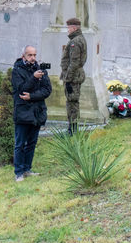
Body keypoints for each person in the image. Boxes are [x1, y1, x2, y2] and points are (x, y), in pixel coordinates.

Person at [11, 46, 52, 183]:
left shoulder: (40, 69)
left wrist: (32, 96)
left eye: (34, 55)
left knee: (32, 143)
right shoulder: (17, 70)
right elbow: (21, 89)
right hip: (23, 112)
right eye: (30, 55)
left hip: (37, 112)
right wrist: (34, 79)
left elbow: (47, 90)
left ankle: (27, 169)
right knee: (20, 144)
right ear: (23, 56)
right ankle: (19, 172)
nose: (33, 58)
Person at [60, 17, 87, 134]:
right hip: (74, 76)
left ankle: (73, 129)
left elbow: (74, 62)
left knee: (72, 103)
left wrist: (68, 79)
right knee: (72, 102)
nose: (68, 30)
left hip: (73, 77)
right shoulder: (78, 39)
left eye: (69, 27)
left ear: (74, 28)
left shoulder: (75, 42)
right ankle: (72, 127)